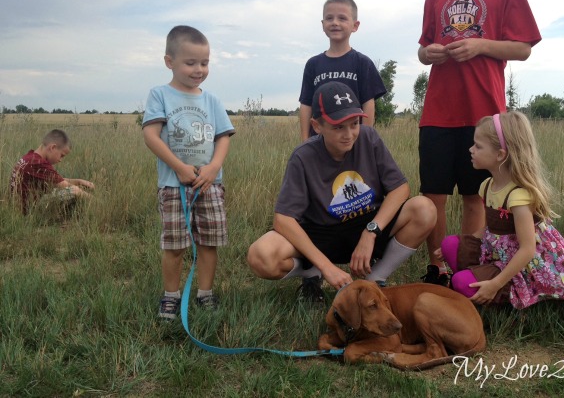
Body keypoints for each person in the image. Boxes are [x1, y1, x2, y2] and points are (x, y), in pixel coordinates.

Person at [417, 0, 541, 286]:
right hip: (438, 111)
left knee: (476, 196)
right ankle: (437, 268)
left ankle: (466, 266)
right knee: (433, 194)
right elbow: (423, 48)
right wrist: (430, 53)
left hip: (484, 115)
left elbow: (523, 48)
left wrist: (481, 45)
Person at [247, 81, 436, 302]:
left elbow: (400, 188)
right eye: (338, 127)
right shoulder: (302, 156)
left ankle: (373, 281)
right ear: (317, 126)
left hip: (366, 222)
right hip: (322, 232)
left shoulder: (369, 137)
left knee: (425, 209)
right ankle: (312, 273)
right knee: (261, 255)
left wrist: (371, 231)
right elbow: (283, 219)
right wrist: (326, 267)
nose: (349, 134)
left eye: (354, 124)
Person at [439, 111, 564, 326]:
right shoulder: (486, 186)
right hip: (498, 254)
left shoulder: (518, 197)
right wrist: (464, 245)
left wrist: (496, 283)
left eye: (478, 146)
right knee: (450, 244)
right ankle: (478, 286)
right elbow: (488, 228)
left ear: (500, 154)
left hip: (527, 265)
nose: (470, 150)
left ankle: (502, 297)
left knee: (460, 282)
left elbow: (528, 249)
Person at [142, 25, 235, 320]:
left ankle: (204, 293)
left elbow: (222, 136)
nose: (199, 70)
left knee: (209, 242)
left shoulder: (212, 101)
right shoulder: (160, 95)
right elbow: (151, 136)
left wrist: (214, 167)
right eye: (190, 63)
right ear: (169, 62)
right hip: (174, 185)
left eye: (204, 63)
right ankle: (171, 296)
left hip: (210, 185)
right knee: (175, 245)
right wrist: (179, 167)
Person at [298, 0, 386, 142]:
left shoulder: (363, 63)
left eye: (342, 18)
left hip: (351, 140)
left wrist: (364, 141)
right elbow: (306, 104)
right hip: (319, 143)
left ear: (355, 26)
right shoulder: (313, 64)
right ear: (322, 24)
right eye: (329, 18)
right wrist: (305, 141)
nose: (335, 23)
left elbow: (368, 104)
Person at [10, 129, 94, 216]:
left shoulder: (30, 157)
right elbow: (65, 185)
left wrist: (79, 181)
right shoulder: (38, 163)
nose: (60, 160)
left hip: (18, 207)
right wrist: (95, 201)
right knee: (75, 191)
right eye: (62, 155)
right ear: (52, 147)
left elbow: (57, 181)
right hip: (29, 211)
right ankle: (94, 206)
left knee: (74, 188)